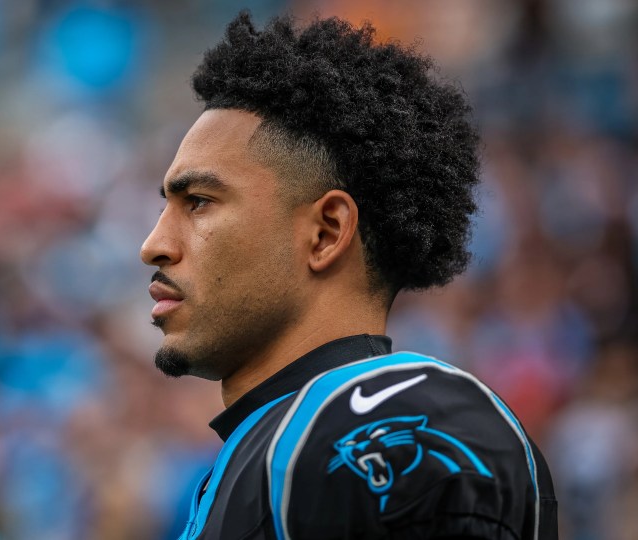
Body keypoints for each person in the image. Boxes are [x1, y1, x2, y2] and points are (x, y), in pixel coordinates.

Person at [140, 12, 558, 540]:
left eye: (198, 202)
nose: (153, 246)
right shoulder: (262, 451)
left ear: (326, 232)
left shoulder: (382, 416)